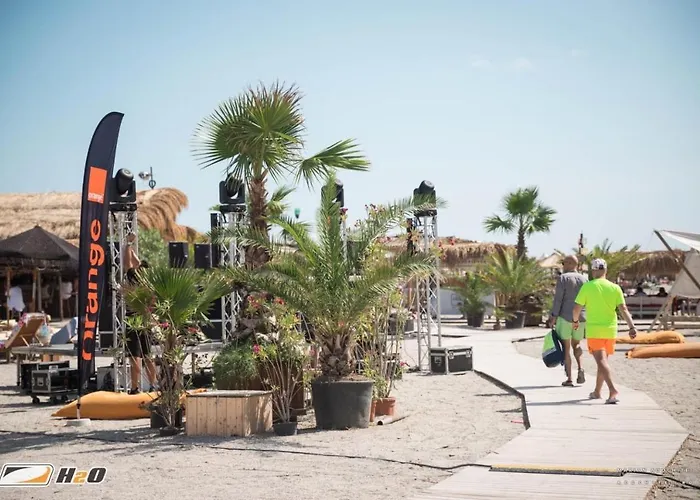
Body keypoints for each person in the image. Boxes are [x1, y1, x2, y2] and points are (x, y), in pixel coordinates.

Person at [572, 258, 637, 404]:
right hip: (610, 330)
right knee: (603, 362)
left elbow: (576, 308)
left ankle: (613, 390)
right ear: (605, 270)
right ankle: (597, 392)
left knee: (601, 361)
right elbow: (623, 309)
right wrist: (631, 327)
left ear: (593, 270)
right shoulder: (615, 288)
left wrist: (575, 322)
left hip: (595, 330)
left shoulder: (588, 287)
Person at [549, 255, 588, 386]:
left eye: (564, 263)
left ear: (570, 263)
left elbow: (558, 299)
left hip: (565, 317)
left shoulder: (563, 278)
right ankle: (581, 368)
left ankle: (570, 378)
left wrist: (553, 316)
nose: (563, 266)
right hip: (580, 318)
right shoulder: (584, 279)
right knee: (576, 344)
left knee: (566, 348)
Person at [124, 261, 157, 394]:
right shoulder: (149, 287)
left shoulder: (132, 282)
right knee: (148, 355)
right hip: (145, 320)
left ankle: (134, 388)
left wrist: (130, 247)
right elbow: (153, 304)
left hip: (133, 320)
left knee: (135, 356)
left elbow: (128, 261)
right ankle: (153, 385)